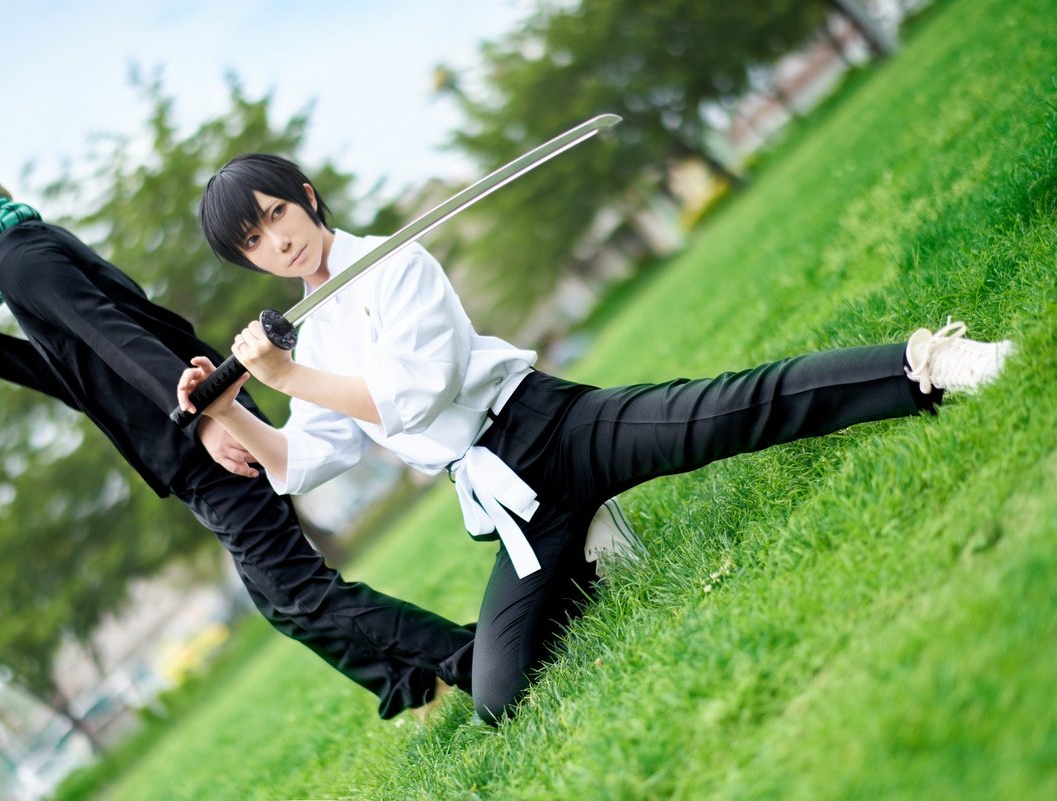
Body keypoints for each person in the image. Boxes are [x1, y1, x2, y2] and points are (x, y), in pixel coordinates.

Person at [177, 153, 1015, 724]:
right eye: (254, 240)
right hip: (509, 500)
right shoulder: (309, 337)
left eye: (277, 213)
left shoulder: (395, 264)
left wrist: (287, 377)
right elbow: (301, 462)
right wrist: (232, 410)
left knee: (727, 412)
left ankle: (927, 364)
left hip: (548, 427)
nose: (278, 240)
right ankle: (586, 541)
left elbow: (414, 393)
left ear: (307, 196)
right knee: (501, 697)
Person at [0, 158, 478, 719]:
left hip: (199, 430)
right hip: (187, 433)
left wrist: (206, 417)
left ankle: (470, 657)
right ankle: (411, 683)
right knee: (281, 601)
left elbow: (116, 336)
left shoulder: (17, 259)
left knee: (297, 592)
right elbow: (84, 377)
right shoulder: (28, 248)